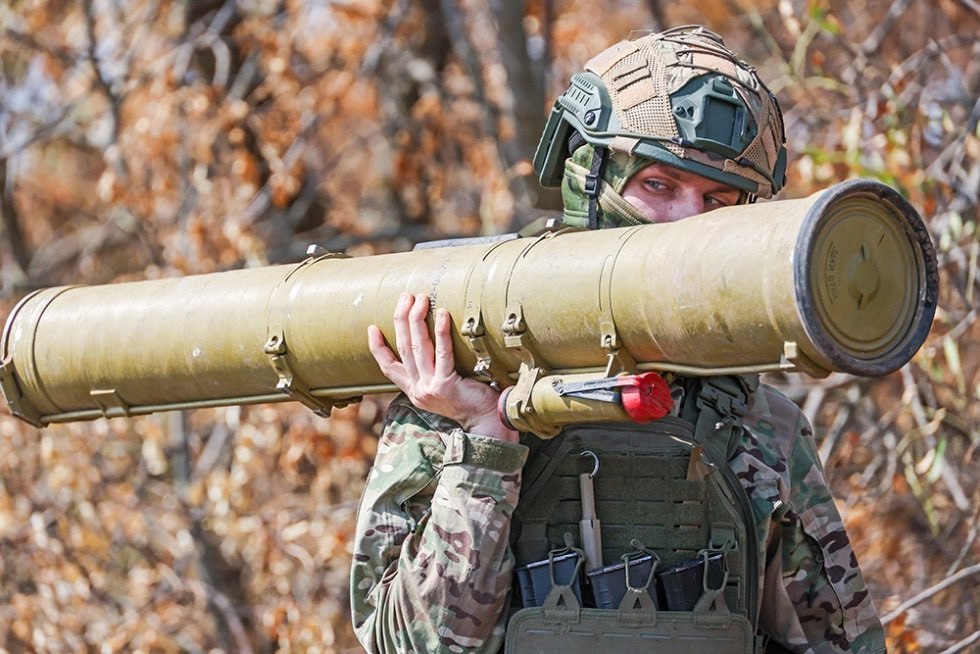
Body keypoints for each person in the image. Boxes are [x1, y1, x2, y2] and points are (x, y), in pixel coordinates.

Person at [350, 26, 886, 654]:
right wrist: (486, 445)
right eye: (659, 186)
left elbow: (844, 644)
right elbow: (404, 643)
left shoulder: (761, 428)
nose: (688, 223)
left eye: (717, 200)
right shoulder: (458, 382)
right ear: (592, 182)